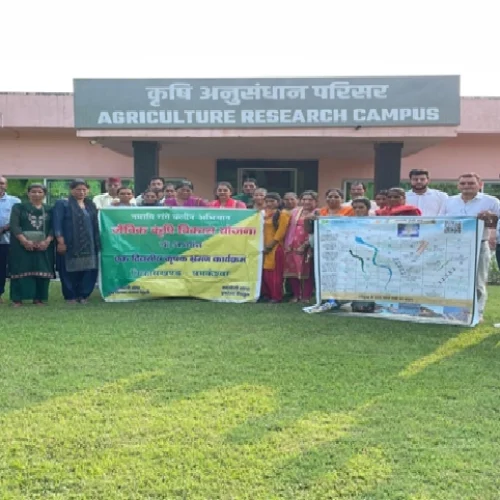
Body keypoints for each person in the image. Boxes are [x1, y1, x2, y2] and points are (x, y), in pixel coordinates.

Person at [441, 172, 500, 322]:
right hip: (454, 246)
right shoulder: (450, 201)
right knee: (452, 279)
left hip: (479, 245)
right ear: (458, 185)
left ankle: (477, 313)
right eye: (463, 183)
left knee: (478, 281)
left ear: (480, 185)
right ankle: (454, 311)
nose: (467, 186)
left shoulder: (491, 202)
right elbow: (440, 221)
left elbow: (497, 222)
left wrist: (491, 222)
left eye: (471, 183)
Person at [53, 179, 100, 304]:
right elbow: (57, 223)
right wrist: (60, 241)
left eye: (84, 189)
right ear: (71, 190)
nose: (81, 192)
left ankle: (83, 295)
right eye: (78, 189)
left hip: (89, 245)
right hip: (69, 243)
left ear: (88, 191)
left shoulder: (90, 205)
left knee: (89, 270)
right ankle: (71, 296)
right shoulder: (63, 203)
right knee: (68, 270)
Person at [8, 184, 55, 306]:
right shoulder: (19, 207)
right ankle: (17, 299)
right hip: (21, 245)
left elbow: (54, 227)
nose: (36, 195)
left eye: (40, 192)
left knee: (41, 270)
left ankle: (38, 298)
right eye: (33, 192)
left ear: (44, 194)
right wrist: (24, 241)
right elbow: (14, 225)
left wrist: (47, 241)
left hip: (44, 246)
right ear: (28, 193)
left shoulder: (50, 209)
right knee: (20, 269)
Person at [284, 191, 318, 303]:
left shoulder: (318, 213)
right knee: (293, 271)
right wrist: (288, 244)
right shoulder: (295, 212)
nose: (306, 202)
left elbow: (315, 232)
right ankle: (296, 295)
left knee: (307, 272)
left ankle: (306, 296)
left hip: (309, 245)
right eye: (304, 199)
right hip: (292, 244)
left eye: (310, 200)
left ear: (315, 201)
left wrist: (305, 245)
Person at [261, 193, 290, 303]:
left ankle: (276, 296)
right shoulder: (263, 213)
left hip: (276, 246)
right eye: (267, 201)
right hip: (263, 246)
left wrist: (271, 244)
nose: (269, 203)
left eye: (272, 201)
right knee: (265, 273)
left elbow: (281, 231)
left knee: (274, 273)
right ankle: (266, 294)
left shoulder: (283, 214)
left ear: (279, 202)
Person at [0, 175, 21, 303]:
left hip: (6, 241)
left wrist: (3, 229)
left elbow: (17, 220)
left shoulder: (15, 201)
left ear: (6, 185)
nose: (0, 186)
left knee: (2, 268)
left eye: (1, 183)